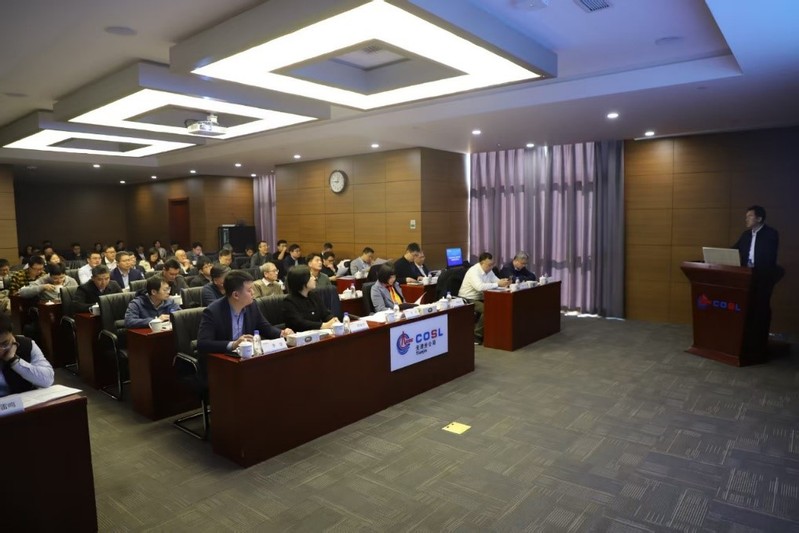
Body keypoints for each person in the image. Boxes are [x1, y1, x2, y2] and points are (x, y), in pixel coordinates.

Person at [197, 271, 293, 380]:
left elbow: (265, 328)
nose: (253, 292)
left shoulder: (252, 305)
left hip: (246, 361)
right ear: (236, 295)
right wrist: (234, 344)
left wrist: (282, 334)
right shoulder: (213, 311)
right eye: (249, 290)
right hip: (221, 365)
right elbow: (203, 344)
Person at [732, 205, 782, 352]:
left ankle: (759, 342)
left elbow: (768, 258)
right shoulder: (745, 235)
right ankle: (746, 340)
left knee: (760, 309)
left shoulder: (771, 234)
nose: (746, 219)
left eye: (750, 216)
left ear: (759, 218)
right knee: (746, 308)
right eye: (746, 216)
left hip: (762, 278)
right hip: (746, 277)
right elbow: (734, 249)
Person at [458, 252, 510, 344]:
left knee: (499, 305)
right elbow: (479, 287)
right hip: (468, 298)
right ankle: (476, 335)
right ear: (482, 263)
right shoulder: (474, 271)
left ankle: (494, 334)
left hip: (481, 297)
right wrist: (498, 284)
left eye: (492, 264)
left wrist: (504, 282)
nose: (491, 267)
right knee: (489, 309)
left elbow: (496, 281)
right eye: (489, 265)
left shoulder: (489, 270)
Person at [0, 315, 54, 397]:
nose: (0, 350)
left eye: (5, 344)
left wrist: (14, 361)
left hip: (26, 401)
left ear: (12, 336)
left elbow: (47, 380)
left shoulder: (26, 345)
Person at [282, 265, 339, 331]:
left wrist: (332, 320)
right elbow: (299, 323)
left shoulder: (314, 295)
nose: (315, 278)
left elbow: (325, 313)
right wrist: (322, 325)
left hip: (318, 333)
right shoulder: (289, 301)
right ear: (302, 280)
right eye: (311, 276)